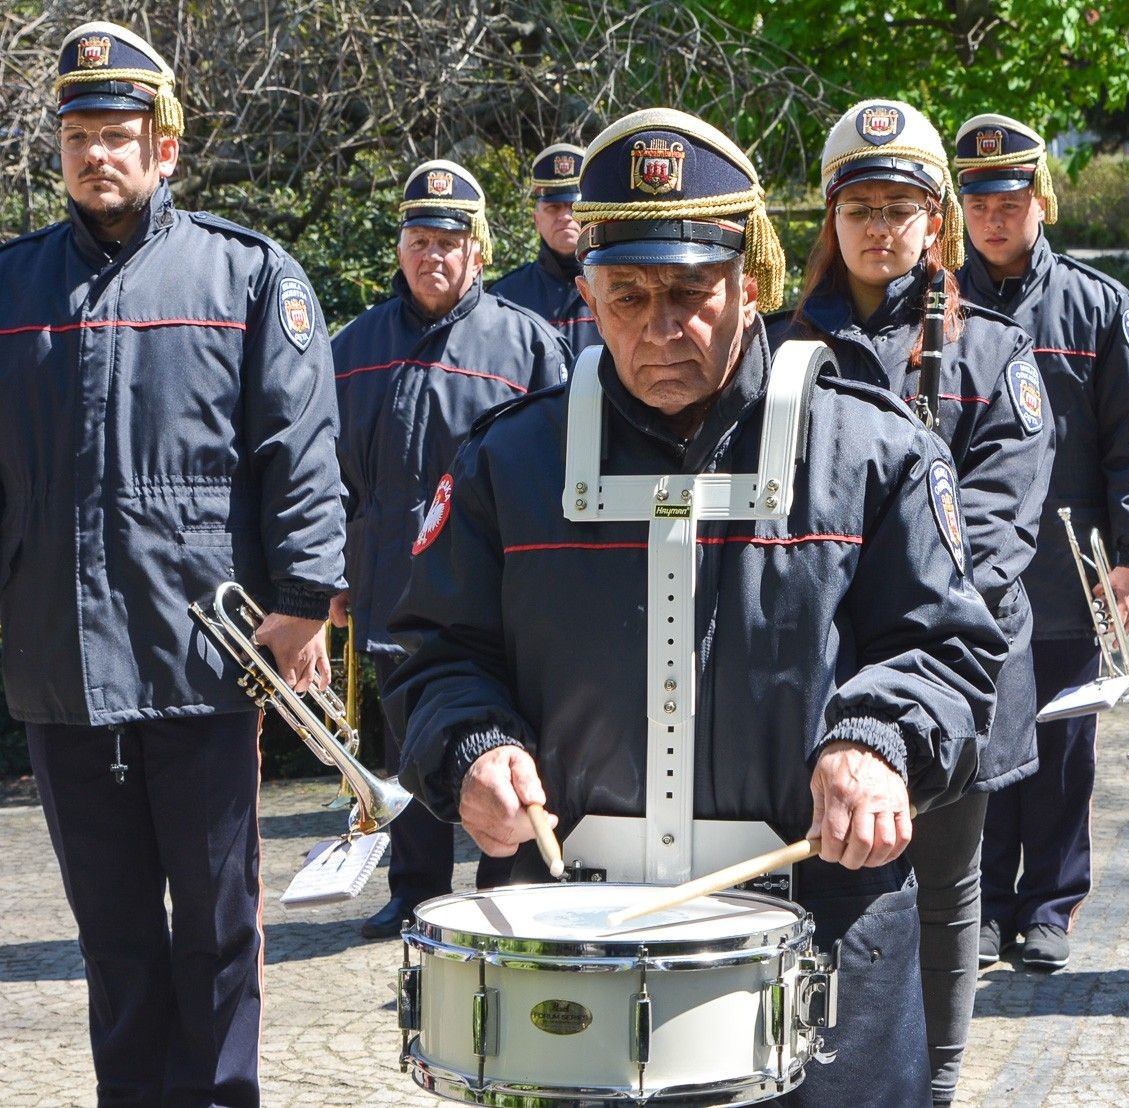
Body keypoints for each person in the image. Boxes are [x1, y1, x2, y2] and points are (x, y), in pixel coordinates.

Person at [386, 107, 1006, 1106]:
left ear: (750, 284)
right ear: (586, 296)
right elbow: (431, 656)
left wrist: (878, 737)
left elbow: (953, 654)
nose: (657, 328)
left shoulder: (873, 452)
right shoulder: (508, 460)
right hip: (572, 950)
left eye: (690, 293)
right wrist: (470, 745)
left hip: (825, 944)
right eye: (625, 296)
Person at [0, 22, 345, 1107]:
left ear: (167, 149)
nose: (99, 154)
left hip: (206, 668)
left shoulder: (246, 274)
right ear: (56, 151)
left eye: (120, 134)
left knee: (215, 932)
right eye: (79, 136)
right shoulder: (11, 288)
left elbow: (300, 450)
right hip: (61, 669)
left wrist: (301, 606)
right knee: (112, 941)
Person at [773, 99, 1054, 1105]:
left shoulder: (993, 355)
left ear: (936, 220)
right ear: (832, 218)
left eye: (901, 206)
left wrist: (901, 667)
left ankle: (931, 1083)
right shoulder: (777, 348)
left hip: (951, 676)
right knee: (822, 887)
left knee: (945, 892)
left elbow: (993, 538)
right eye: (861, 207)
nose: (881, 227)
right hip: (814, 677)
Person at [329, 158, 570, 940]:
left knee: (504, 734)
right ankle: (416, 887)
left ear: (479, 251)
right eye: (419, 240)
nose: (433, 256)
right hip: (389, 583)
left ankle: (502, 884)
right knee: (404, 744)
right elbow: (322, 470)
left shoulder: (526, 344)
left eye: (449, 241)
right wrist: (325, 573)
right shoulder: (352, 347)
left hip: (500, 590)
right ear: (400, 247)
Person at [955, 113, 1129, 970]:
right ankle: (980, 904)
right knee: (980, 748)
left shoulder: (1099, 305)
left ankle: (1047, 908)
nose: (994, 218)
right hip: (969, 573)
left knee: (1062, 748)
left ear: (1041, 198)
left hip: (1067, 576)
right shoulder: (940, 302)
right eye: (977, 203)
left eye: (1009, 200)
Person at [489, 142, 602, 357]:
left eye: (573, 207)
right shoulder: (506, 297)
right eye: (553, 208)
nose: (565, 217)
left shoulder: (619, 287)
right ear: (536, 220)